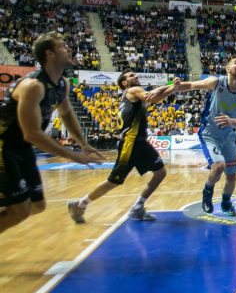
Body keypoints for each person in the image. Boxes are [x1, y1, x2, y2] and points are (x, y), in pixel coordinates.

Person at [1, 32, 105, 233]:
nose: (69, 48)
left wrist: (84, 144)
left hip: (22, 149)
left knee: (37, 205)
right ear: (49, 53)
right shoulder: (33, 86)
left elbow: (66, 113)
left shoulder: (62, 83)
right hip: (4, 147)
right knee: (19, 211)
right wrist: (74, 156)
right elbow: (32, 134)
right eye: (63, 46)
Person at [68, 71, 176, 223]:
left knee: (160, 172)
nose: (136, 76)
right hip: (130, 144)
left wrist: (172, 88)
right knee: (114, 181)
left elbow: (155, 98)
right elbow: (151, 97)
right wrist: (171, 86)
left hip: (140, 143)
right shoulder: (133, 90)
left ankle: (138, 207)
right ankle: (80, 204)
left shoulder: (132, 97)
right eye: (131, 76)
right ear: (125, 83)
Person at [172, 56, 236, 215]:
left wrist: (231, 121)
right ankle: (207, 192)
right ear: (228, 69)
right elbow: (191, 85)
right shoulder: (216, 82)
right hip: (210, 134)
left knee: (232, 177)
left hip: (228, 137)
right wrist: (177, 85)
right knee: (218, 166)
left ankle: (226, 203)